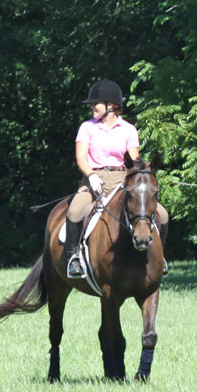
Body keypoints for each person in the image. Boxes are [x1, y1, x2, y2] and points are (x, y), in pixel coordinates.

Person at [64, 79, 170, 278]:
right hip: (95, 178)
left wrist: (134, 179)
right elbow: (80, 157)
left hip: (123, 178)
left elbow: (135, 161)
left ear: (111, 106)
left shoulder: (128, 129)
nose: (92, 106)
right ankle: (74, 258)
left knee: (162, 215)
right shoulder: (87, 127)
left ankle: (160, 257)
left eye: (96, 103)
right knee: (74, 211)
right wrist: (91, 175)